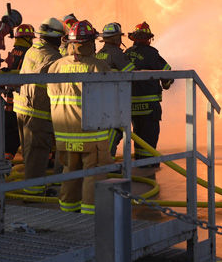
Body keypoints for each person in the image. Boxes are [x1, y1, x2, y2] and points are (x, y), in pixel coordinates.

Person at [48, 20, 113, 214]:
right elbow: (109, 99)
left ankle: (68, 209)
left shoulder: (56, 66)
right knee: (94, 172)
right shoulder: (98, 67)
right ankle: (90, 213)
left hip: (64, 133)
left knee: (70, 171)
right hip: (90, 133)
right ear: (89, 43)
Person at [13, 17, 63, 196]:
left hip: (21, 107)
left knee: (29, 150)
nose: (62, 41)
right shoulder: (54, 57)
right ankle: (34, 192)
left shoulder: (32, 49)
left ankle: (32, 185)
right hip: (38, 111)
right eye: (60, 37)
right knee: (38, 151)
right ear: (54, 37)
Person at [124, 22, 173, 162]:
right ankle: (148, 164)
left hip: (131, 106)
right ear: (148, 38)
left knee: (137, 135)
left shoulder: (126, 53)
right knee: (150, 137)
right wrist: (167, 83)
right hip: (149, 106)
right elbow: (167, 71)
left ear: (134, 38)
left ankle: (139, 160)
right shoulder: (152, 53)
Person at [95, 22, 135, 156]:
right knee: (115, 132)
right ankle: (107, 162)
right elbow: (131, 72)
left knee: (104, 133)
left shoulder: (99, 53)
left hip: (100, 101)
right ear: (116, 38)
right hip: (115, 102)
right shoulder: (116, 54)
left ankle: (103, 160)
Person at [2, 24, 35, 161]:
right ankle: (32, 159)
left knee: (10, 128)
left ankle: (6, 157)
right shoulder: (29, 53)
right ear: (28, 38)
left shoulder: (13, 51)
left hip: (10, 97)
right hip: (22, 97)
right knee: (24, 129)